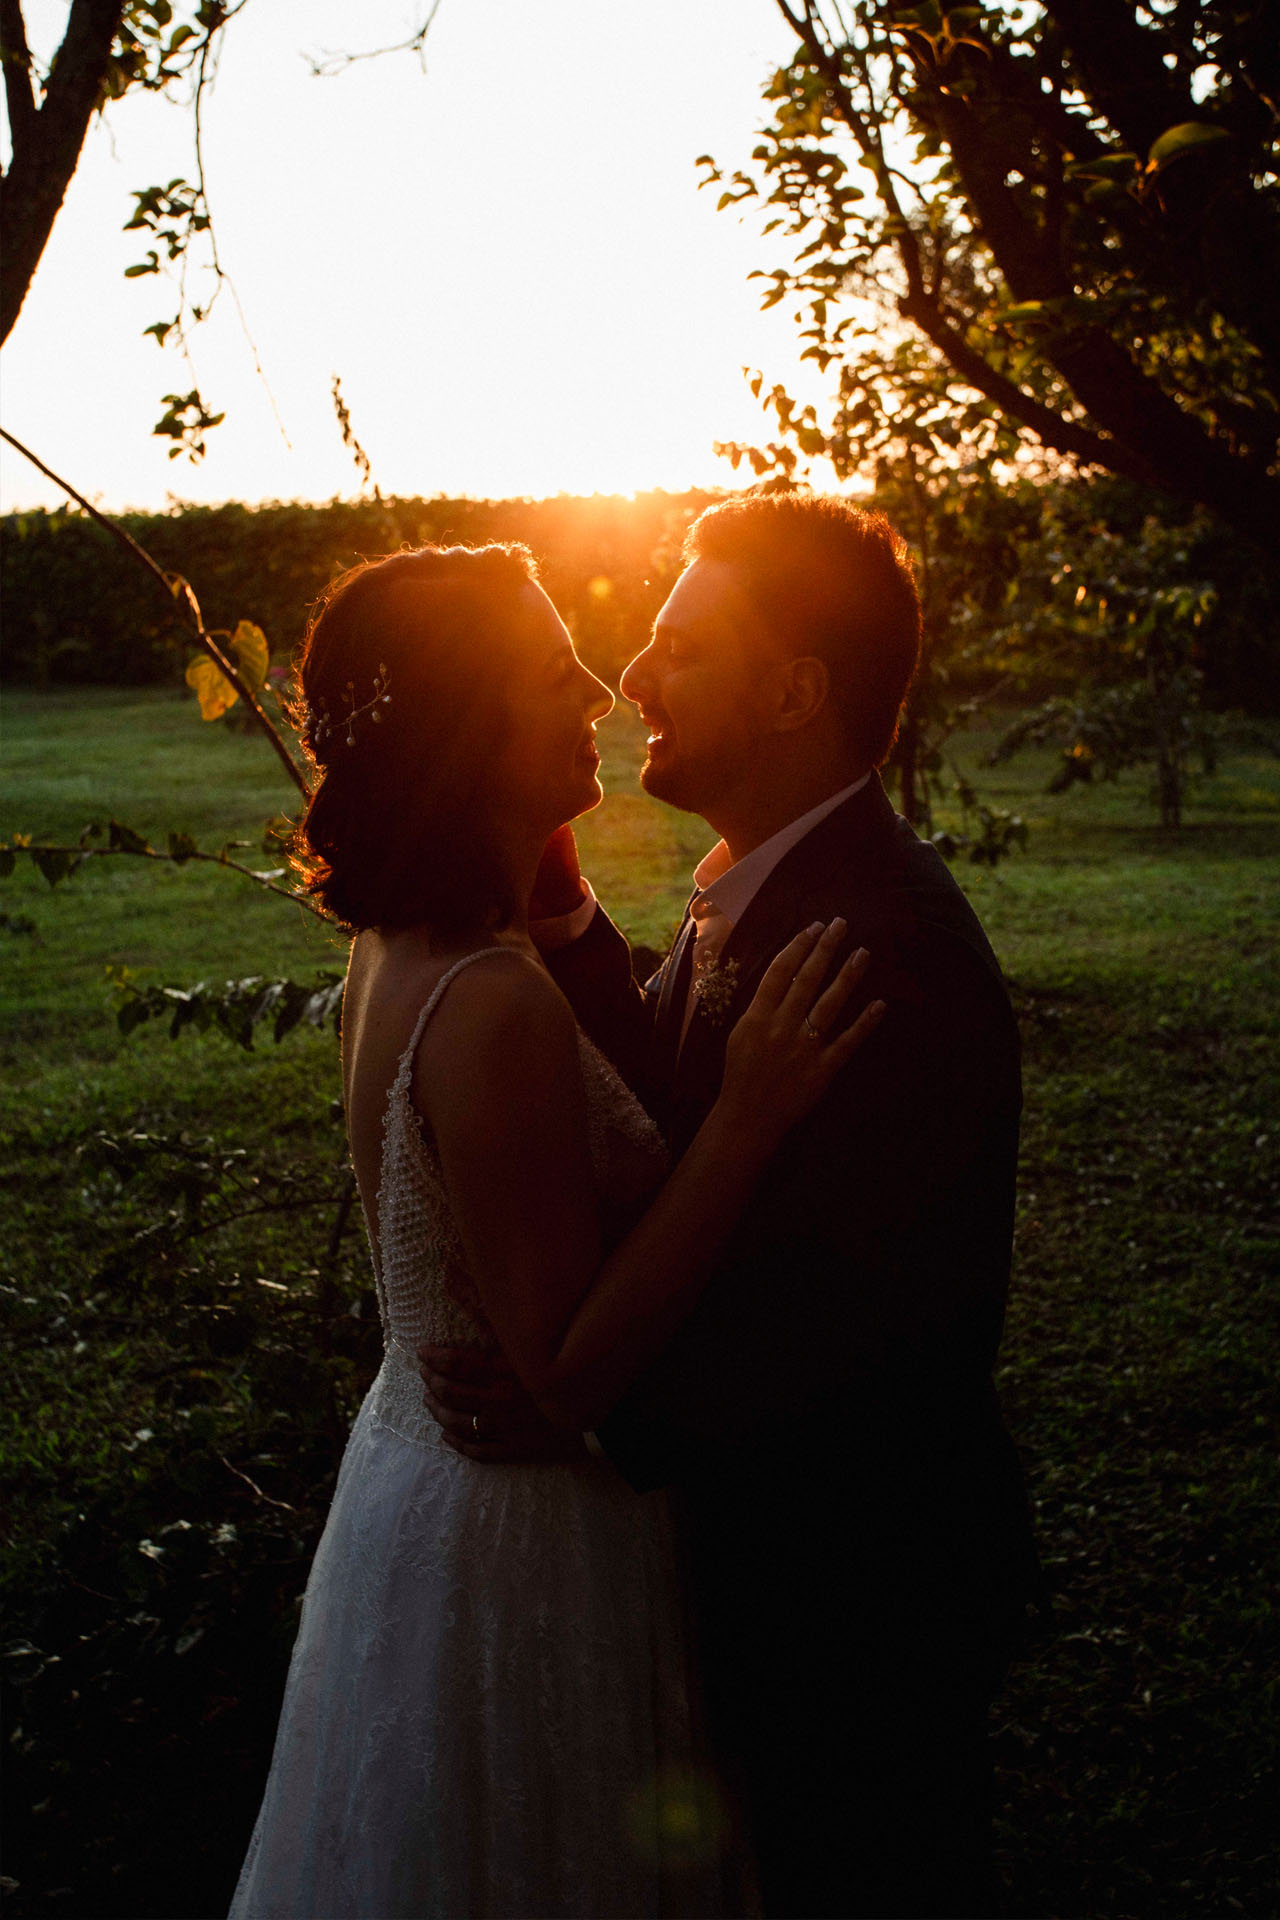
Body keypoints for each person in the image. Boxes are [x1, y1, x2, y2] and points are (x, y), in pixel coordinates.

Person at [228, 540, 886, 1920]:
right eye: (548, 673)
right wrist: (747, 1120)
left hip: (415, 1479)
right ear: (473, 728)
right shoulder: (491, 1002)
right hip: (519, 1532)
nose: (597, 689)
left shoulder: (400, 948)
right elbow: (568, 1370)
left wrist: (558, 894)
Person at [422, 493, 1042, 1919]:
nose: (631, 679)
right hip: (785, 1570)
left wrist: (583, 1399)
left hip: (857, 1588)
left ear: (793, 689)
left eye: (679, 650)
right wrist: (575, 927)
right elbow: (683, 1111)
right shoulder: (767, 886)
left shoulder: (882, 950)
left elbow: (859, 1328)